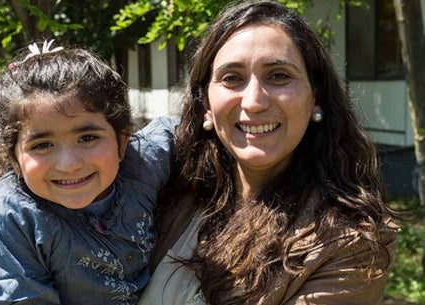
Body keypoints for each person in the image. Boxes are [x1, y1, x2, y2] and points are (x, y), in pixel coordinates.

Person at [138, 1, 400, 305]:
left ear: (316, 98)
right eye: (232, 78)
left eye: (278, 76)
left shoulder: (351, 245)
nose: (253, 102)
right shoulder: (166, 187)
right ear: (205, 105)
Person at [0, 40, 175, 305]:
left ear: (122, 142)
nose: (69, 164)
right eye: (42, 145)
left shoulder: (144, 162)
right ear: (13, 159)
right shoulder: (12, 216)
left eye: (87, 138)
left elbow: (184, 130)